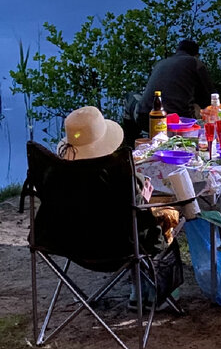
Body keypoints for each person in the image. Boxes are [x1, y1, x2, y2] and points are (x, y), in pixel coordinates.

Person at [57, 105, 180, 246]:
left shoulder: (57, 176)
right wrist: (142, 201)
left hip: (71, 245)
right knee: (171, 212)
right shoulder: (120, 176)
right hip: (119, 248)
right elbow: (127, 218)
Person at [138, 38, 212, 122]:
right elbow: (209, 97)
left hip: (146, 118)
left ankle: (130, 134)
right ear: (196, 55)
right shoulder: (194, 63)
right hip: (178, 120)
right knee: (202, 109)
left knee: (131, 97)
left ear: (177, 51)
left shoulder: (161, 63)